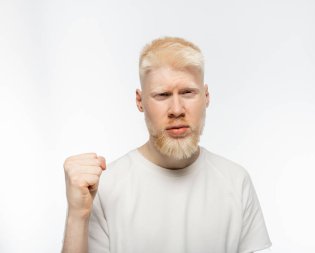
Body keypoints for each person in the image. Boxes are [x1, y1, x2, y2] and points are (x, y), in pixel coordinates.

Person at [62, 37, 272, 253]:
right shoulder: (105, 187)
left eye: (187, 92)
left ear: (206, 96)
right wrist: (76, 216)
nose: (177, 109)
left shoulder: (236, 181)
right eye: (162, 95)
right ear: (140, 101)